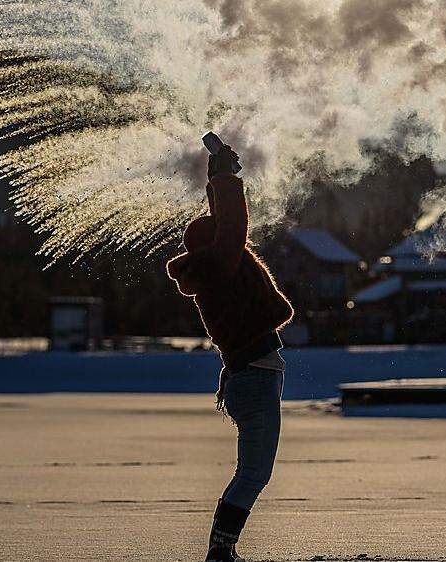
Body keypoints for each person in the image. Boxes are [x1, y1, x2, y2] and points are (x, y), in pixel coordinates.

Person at [166, 143, 294, 562]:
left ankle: (223, 550)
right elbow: (232, 227)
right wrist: (223, 178)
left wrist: (216, 178)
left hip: (252, 377)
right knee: (254, 474)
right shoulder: (219, 264)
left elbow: (226, 224)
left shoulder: (216, 267)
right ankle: (220, 551)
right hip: (253, 379)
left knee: (253, 473)